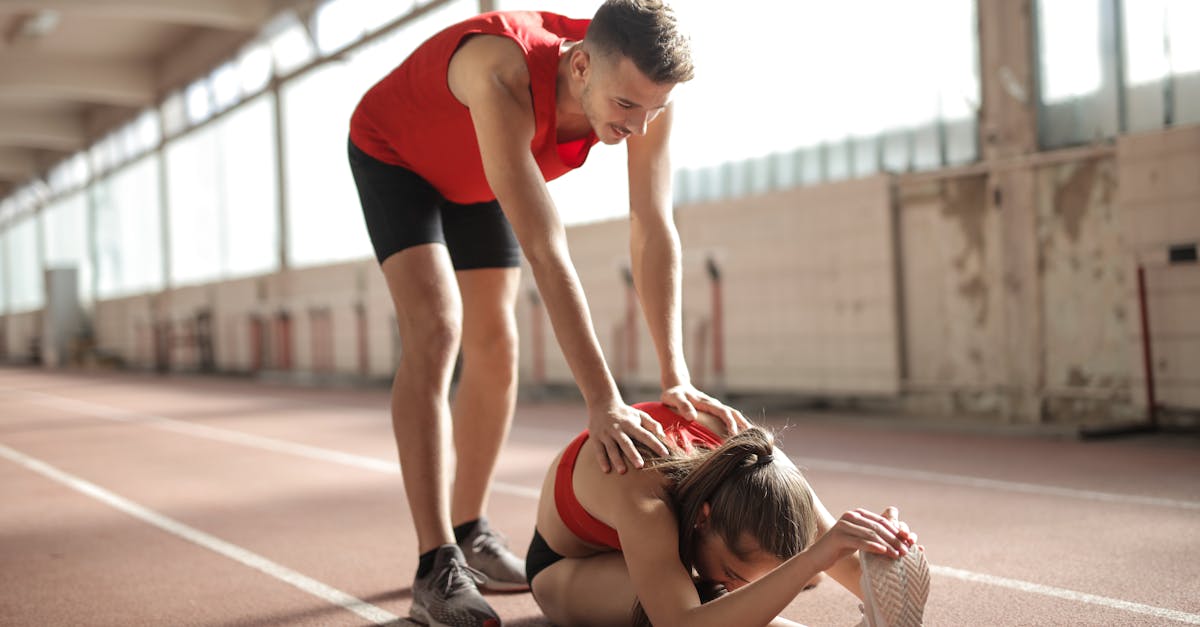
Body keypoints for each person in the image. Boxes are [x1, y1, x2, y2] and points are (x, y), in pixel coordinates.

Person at [347, 2, 747, 625]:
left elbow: (652, 224)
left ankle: (471, 527)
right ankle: (436, 563)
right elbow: (544, 246)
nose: (639, 128)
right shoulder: (499, 71)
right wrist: (603, 400)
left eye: (655, 111)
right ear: (581, 66)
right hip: (397, 155)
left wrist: (676, 375)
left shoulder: (643, 89)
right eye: (625, 109)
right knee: (437, 328)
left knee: (498, 343)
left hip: (477, 175)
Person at [527, 401, 930, 627]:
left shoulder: (760, 464)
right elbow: (682, 624)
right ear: (702, 518)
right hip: (566, 566)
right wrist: (811, 561)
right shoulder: (646, 502)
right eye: (734, 573)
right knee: (710, 602)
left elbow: (831, 543)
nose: (738, 585)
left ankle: (765, 573)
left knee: (783, 563)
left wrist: (881, 556)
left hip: (676, 543)